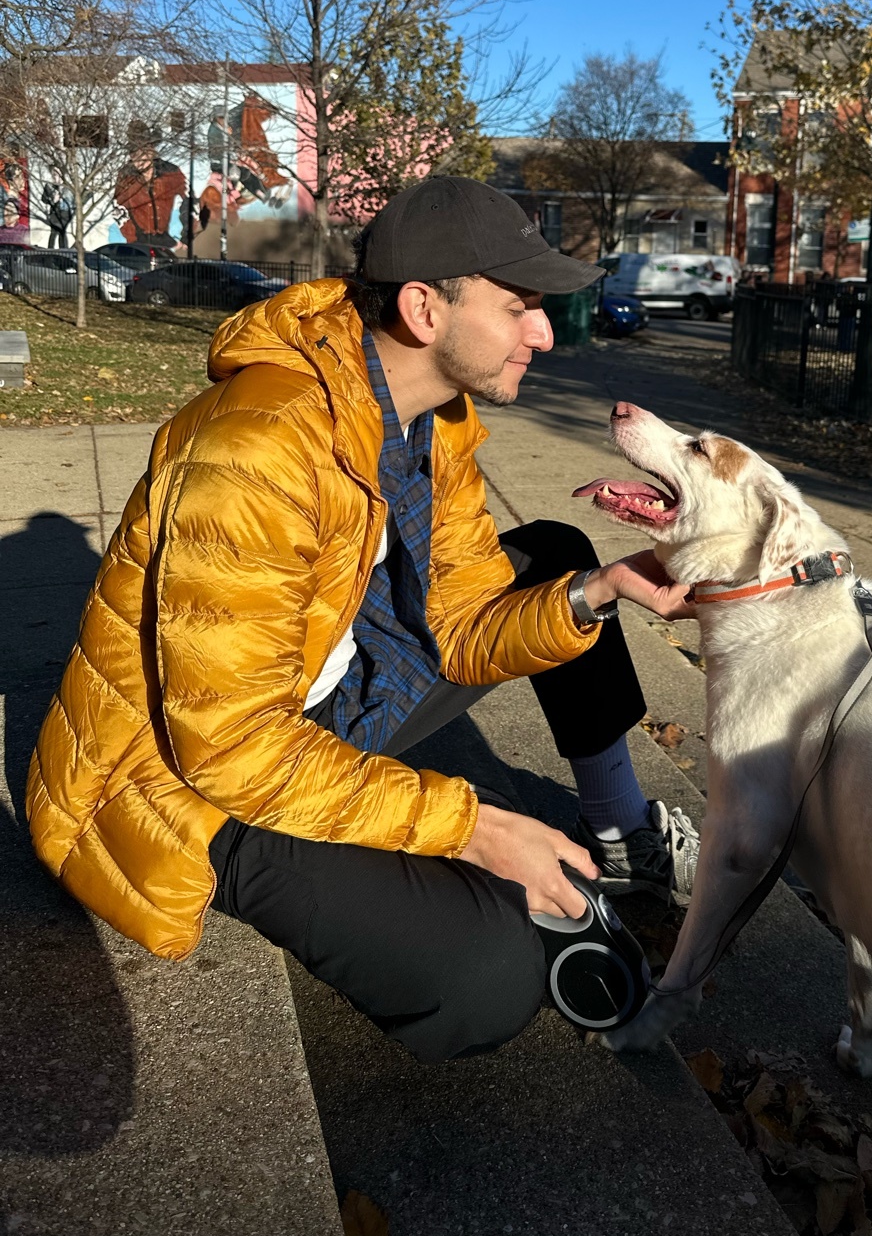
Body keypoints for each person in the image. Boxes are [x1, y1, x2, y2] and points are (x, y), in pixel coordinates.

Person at [27, 177, 699, 1064]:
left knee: (563, 559)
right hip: (187, 779)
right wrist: (475, 824)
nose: (542, 332)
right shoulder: (255, 448)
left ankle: (621, 836)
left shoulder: (434, 417)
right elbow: (226, 748)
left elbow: (460, 629)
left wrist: (600, 593)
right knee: (485, 982)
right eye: (519, 306)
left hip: (323, 702)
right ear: (425, 308)